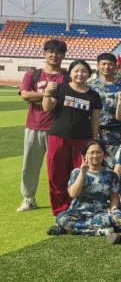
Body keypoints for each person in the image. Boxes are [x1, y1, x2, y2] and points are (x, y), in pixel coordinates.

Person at [40, 59, 101, 216]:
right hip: (58, 137)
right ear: (70, 73)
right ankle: (59, 209)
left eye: (84, 71)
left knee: (80, 173)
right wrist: (47, 92)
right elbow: (47, 108)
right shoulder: (60, 89)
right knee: (56, 173)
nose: (80, 74)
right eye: (76, 71)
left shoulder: (93, 95)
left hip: (83, 139)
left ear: (89, 74)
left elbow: (95, 120)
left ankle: (77, 207)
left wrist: (94, 140)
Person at [19, 38, 68, 209]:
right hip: (34, 125)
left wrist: (38, 96)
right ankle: (28, 198)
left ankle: (60, 199)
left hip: (58, 127)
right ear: (45, 53)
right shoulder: (33, 75)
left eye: (59, 52)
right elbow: (25, 94)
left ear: (63, 55)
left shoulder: (66, 77)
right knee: (30, 165)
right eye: (51, 52)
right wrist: (49, 94)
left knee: (58, 166)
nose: (54, 55)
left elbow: (65, 99)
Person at [50, 141, 119, 236]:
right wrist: (82, 172)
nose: (95, 156)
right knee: (62, 218)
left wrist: (113, 208)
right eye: (92, 153)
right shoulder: (76, 172)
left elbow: (114, 196)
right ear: (85, 155)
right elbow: (73, 194)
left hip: (100, 213)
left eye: (99, 152)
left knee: (109, 220)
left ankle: (71, 228)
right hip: (77, 213)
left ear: (104, 155)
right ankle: (97, 231)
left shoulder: (111, 174)